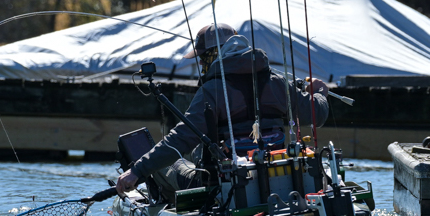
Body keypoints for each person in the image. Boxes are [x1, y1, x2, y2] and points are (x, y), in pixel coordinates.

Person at [115, 23, 329, 198]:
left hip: (221, 185)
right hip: (277, 175)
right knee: (191, 152)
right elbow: (317, 114)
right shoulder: (278, 83)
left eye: (204, 56)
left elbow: (179, 139)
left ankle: (168, 209)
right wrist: (320, 93)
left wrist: (138, 170)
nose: (200, 61)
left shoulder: (212, 91)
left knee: (164, 163)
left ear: (217, 53)